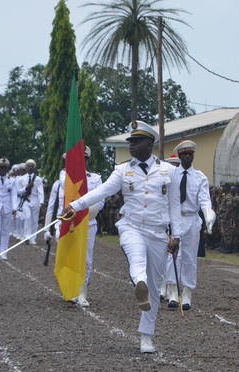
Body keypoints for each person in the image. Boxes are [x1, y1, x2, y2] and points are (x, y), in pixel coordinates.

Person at [62, 121, 181, 354]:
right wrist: (75, 206)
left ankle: (147, 336)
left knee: (156, 289)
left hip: (158, 232)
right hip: (132, 227)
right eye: (131, 142)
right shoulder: (122, 170)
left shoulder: (170, 171)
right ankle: (139, 282)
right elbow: (101, 191)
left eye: (136, 141)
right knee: (137, 259)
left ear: (150, 144)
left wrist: (176, 236)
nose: (132, 145)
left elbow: (174, 205)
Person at [44, 146, 104, 307]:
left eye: (83, 159)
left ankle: (82, 292)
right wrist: (46, 229)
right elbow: (53, 204)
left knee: (86, 258)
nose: (80, 162)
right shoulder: (63, 178)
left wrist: (87, 210)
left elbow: (101, 201)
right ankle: (70, 289)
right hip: (65, 223)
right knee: (68, 255)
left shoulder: (95, 179)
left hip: (88, 223)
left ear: (87, 160)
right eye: (76, 159)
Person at [163, 140, 215, 311]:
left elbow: (205, 200)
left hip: (192, 219)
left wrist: (208, 216)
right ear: (179, 156)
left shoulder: (200, 177)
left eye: (190, 154)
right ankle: (172, 291)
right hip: (174, 218)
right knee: (173, 257)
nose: (187, 157)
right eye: (184, 154)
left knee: (190, 258)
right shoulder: (171, 175)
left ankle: (187, 293)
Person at [0, 158, 17, 260]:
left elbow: (14, 195)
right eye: (1, 167)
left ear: (7, 168)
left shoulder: (12, 180)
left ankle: (4, 251)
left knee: (6, 231)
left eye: (4, 167)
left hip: (7, 207)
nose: (2, 169)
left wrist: (14, 208)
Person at [15, 159, 44, 245]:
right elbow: (18, 191)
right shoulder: (22, 179)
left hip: (35, 200)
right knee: (27, 217)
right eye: (28, 166)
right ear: (26, 168)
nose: (30, 168)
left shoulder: (38, 179)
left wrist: (41, 202)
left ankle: (33, 238)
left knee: (34, 220)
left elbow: (40, 191)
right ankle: (26, 236)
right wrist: (26, 188)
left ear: (34, 168)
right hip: (26, 200)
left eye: (32, 166)